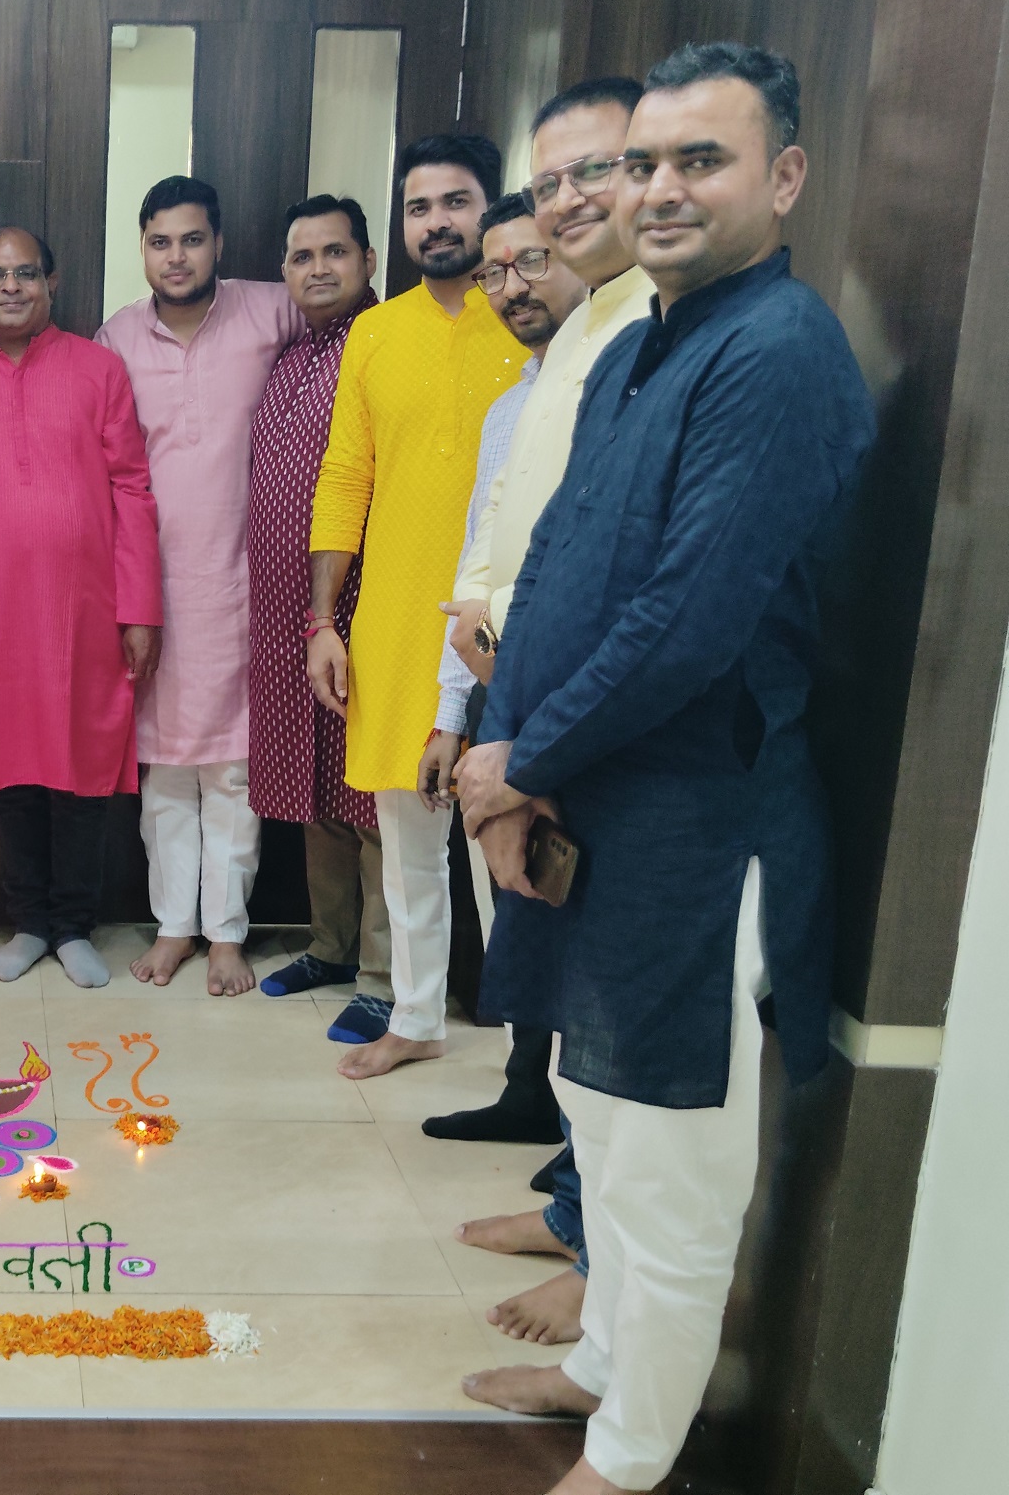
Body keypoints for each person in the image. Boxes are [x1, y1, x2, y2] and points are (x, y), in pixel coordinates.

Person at [453, 46, 875, 1495]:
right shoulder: (647, 337)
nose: (660, 189)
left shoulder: (777, 350)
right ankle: (599, 1369)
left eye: (702, 159)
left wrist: (521, 757)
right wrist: (509, 752)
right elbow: (562, 563)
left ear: (784, 177)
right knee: (597, 1111)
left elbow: (688, 618)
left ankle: (631, 1459)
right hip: (601, 802)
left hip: (701, 825)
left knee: (663, 1164)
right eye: (644, 162)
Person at [429, 78, 656, 1353]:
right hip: (515, 678)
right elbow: (519, 518)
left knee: (593, 1006)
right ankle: (571, 1207)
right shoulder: (575, 343)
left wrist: (521, 708)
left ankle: (590, 1249)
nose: (563, 211)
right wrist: (478, 650)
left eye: (591, 175)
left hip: (576, 710)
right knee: (552, 981)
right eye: (549, 182)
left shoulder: (653, 332)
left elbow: (631, 568)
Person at [306, 134, 528, 1078]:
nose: (437, 222)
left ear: (492, 207)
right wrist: (323, 620)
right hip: (397, 621)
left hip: (508, 623)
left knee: (510, 839)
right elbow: (345, 475)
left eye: (455, 201)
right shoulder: (376, 331)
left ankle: (533, 1056)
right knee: (408, 843)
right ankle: (418, 1012)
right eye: (419, 207)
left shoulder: (529, 319)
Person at [0, 228, 162, 989]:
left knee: (82, 768)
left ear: (52, 281)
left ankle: (74, 925)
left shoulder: (98, 370)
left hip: (86, 612)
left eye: (24, 273)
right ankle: (29, 922)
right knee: (10, 769)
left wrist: (139, 609)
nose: (10, 287)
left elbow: (132, 492)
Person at [96, 176, 301, 996]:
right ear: (142, 248)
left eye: (191, 239)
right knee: (163, 775)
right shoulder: (116, 337)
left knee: (232, 773)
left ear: (218, 243)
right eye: (160, 242)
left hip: (248, 583)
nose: (175, 257)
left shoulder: (272, 311)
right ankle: (174, 925)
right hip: (151, 585)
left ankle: (227, 934)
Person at [244, 194, 390, 1015]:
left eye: (335, 252)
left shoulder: (385, 343)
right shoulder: (290, 357)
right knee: (314, 789)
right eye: (302, 257)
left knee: (370, 798)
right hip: (284, 614)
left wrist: (331, 614)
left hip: (361, 609)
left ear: (368, 260)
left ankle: (384, 978)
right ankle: (330, 947)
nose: (319, 269)